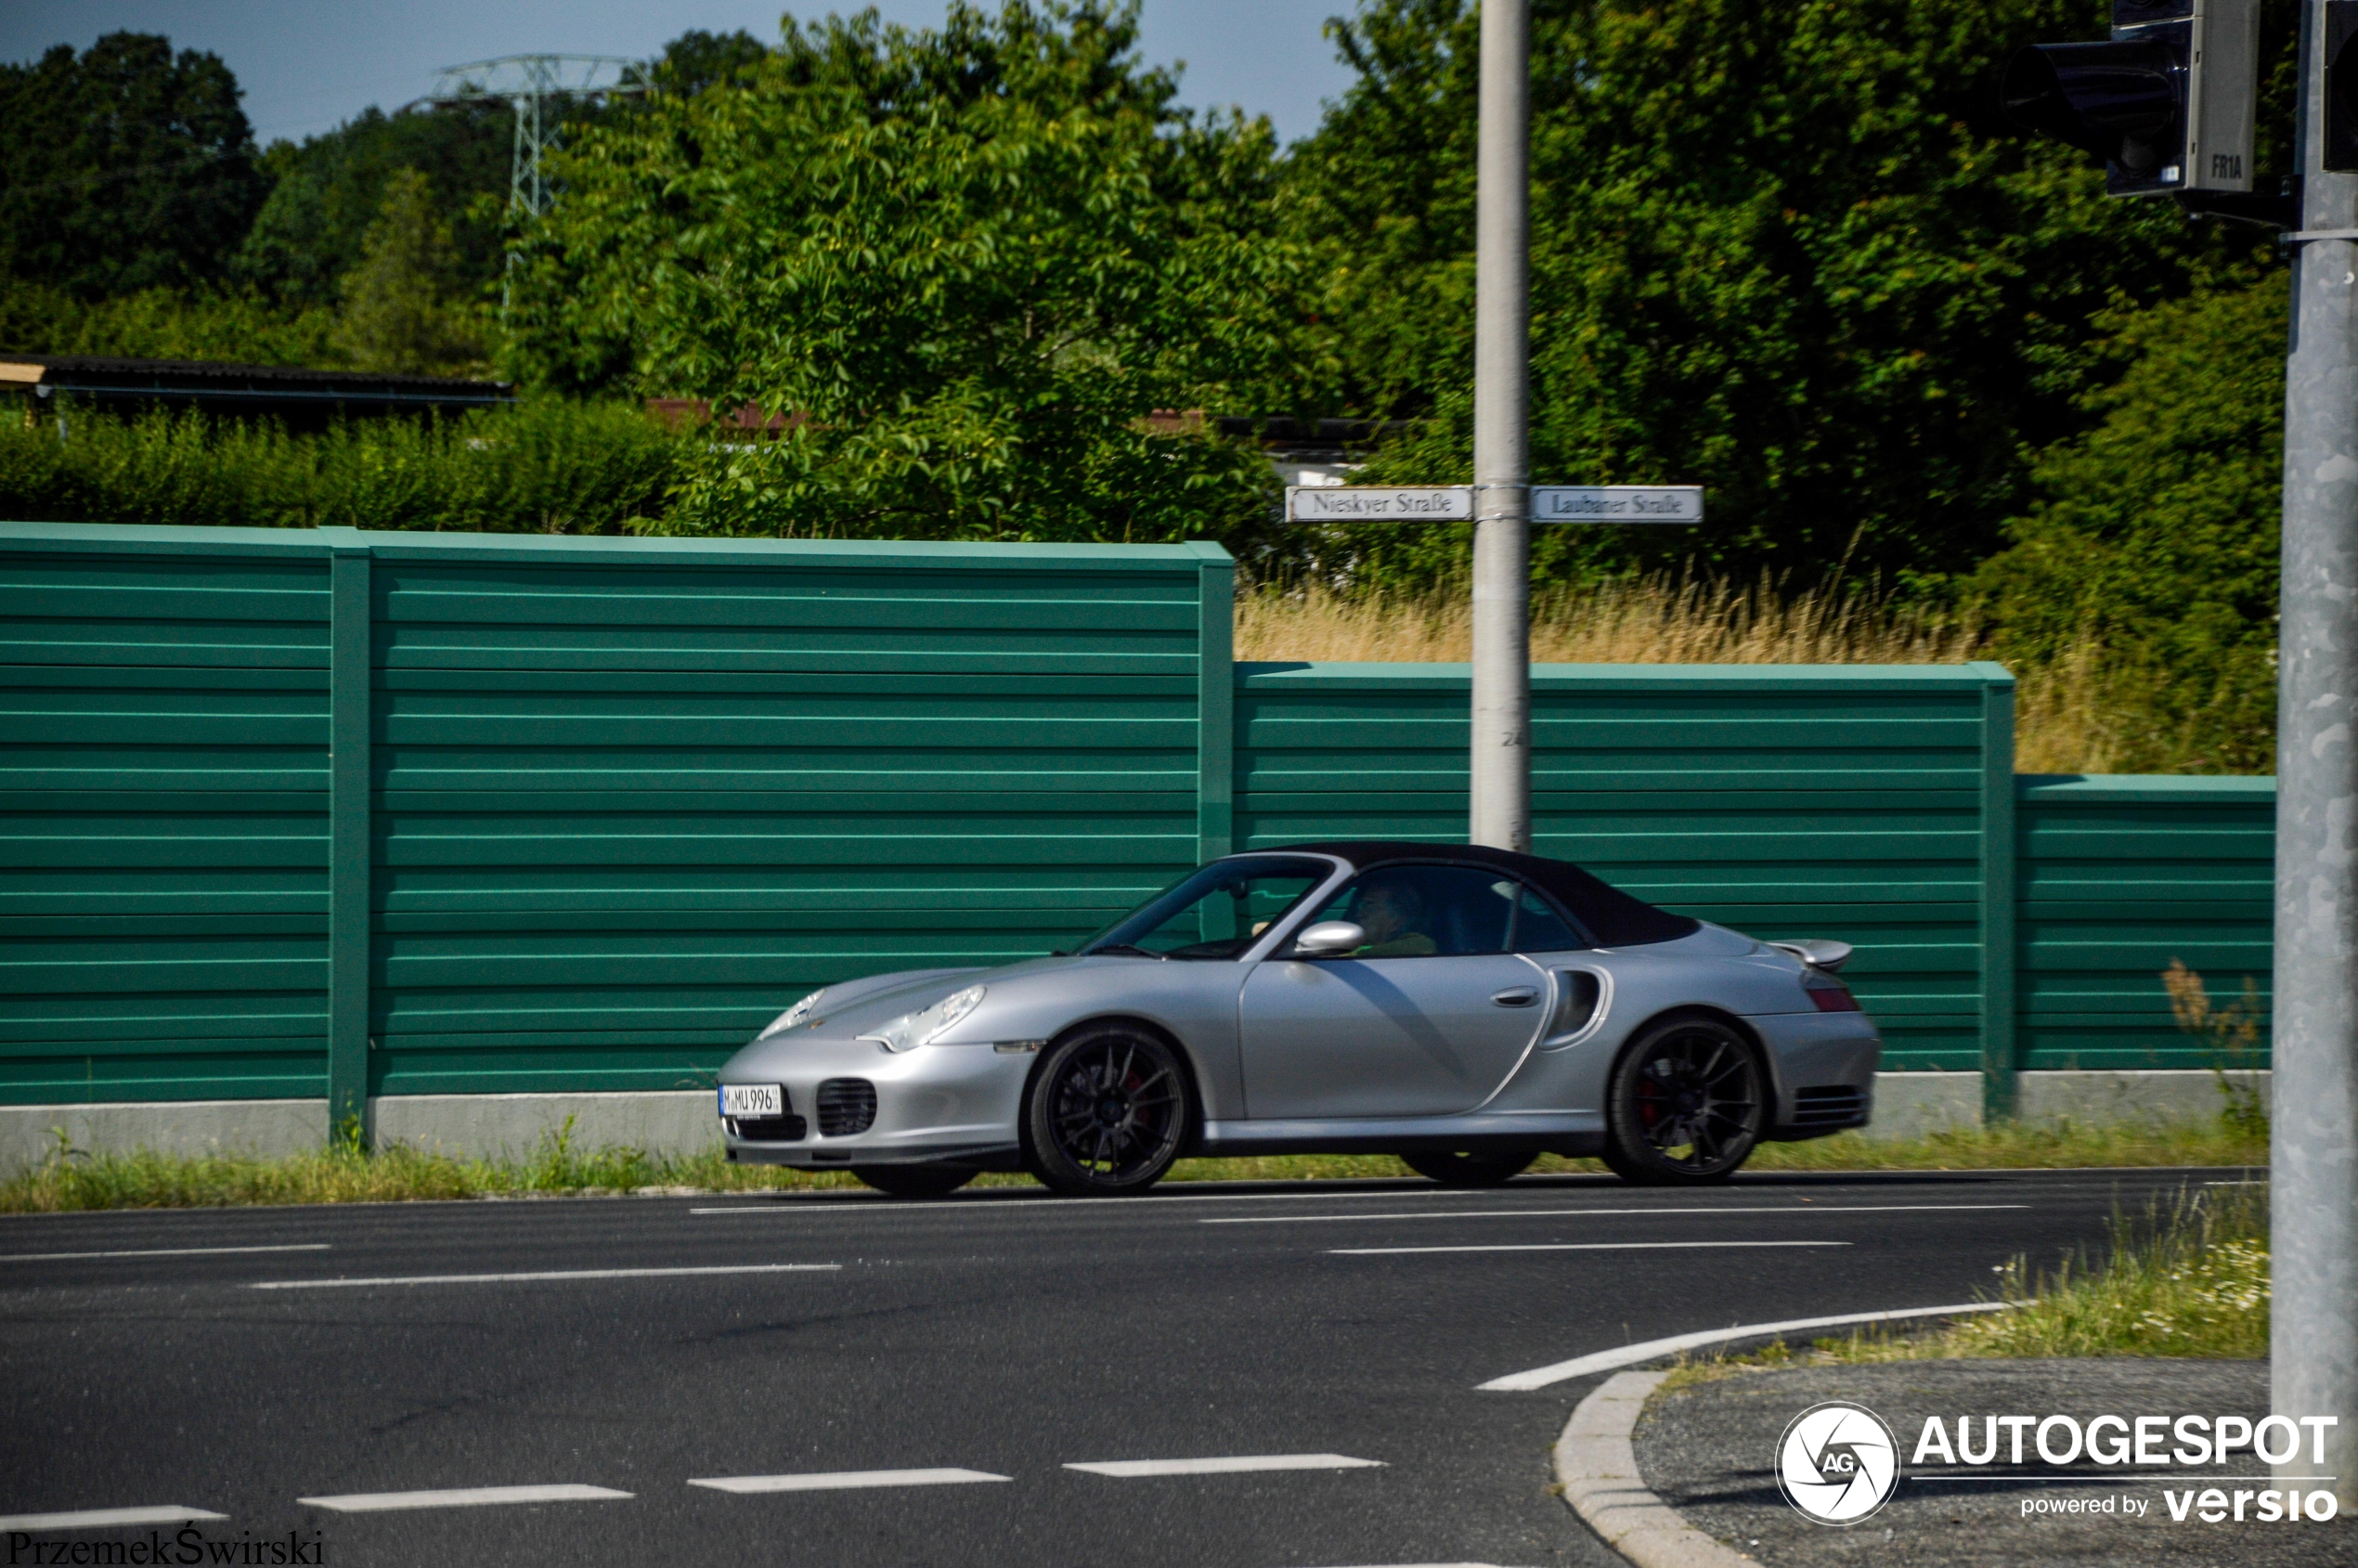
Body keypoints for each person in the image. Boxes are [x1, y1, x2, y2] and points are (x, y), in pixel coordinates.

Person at [1352, 878, 1437, 957]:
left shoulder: (1419, 946)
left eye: (1370, 905)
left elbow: (1423, 946)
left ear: (1396, 922)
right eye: (1361, 906)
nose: (1360, 914)